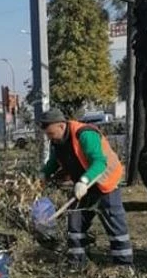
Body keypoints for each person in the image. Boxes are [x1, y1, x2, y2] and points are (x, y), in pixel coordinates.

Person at [38, 108, 133, 267]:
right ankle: (77, 265)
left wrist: (84, 181)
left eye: (51, 134)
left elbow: (99, 162)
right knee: (75, 226)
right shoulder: (58, 141)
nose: (49, 138)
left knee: (116, 230)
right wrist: (43, 175)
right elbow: (54, 162)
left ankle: (124, 267)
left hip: (105, 184)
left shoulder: (85, 134)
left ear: (61, 126)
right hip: (82, 188)